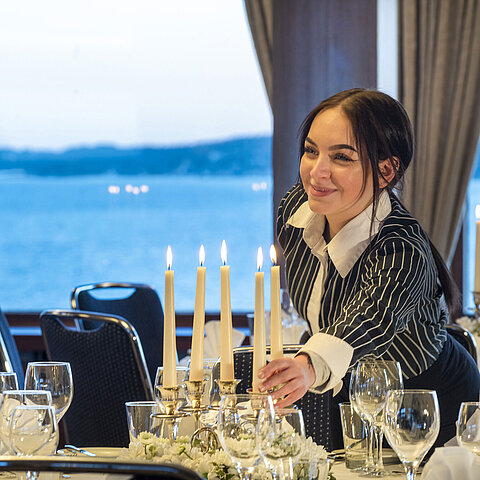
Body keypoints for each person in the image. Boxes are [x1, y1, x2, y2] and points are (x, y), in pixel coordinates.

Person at [258, 88, 480, 448]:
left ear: (386, 171)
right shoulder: (295, 211)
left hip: (430, 406)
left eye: (342, 157)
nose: (318, 172)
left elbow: (369, 319)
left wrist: (307, 365)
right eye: (311, 151)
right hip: (352, 398)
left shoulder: (402, 249)